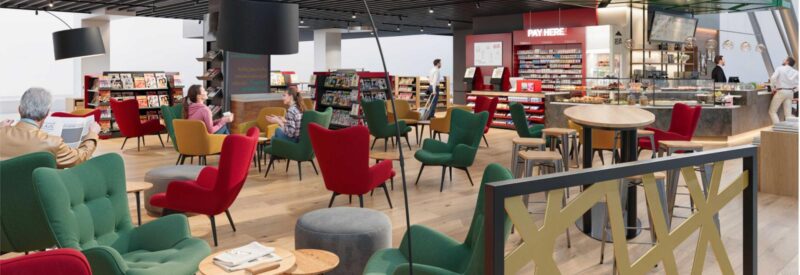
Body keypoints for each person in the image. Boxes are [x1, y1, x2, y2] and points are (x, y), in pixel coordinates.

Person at [0, 87, 100, 168]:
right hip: (39, 192)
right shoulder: (53, 143)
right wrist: (92, 134)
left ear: (19, 109)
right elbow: (80, 157)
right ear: (46, 113)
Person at [768, 57, 798, 124]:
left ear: (787, 62)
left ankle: (778, 128)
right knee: (788, 115)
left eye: (784, 59)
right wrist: (794, 90)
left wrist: (772, 88)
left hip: (781, 92)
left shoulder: (780, 68)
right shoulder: (796, 72)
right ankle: (788, 131)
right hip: (790, 93)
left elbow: (773, 78)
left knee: (772, 111)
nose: (783, 60)